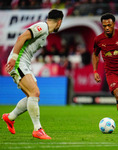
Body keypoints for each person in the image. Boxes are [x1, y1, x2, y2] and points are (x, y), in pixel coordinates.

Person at [2, 9, 64, 139]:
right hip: (19, 62)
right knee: (34, 93)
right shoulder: (42, 27)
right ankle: (38, 129)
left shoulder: (45, 31)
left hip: (24, 63)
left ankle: (10, 117)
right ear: (59, 22)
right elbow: (22, 37)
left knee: (34, 96)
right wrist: (13, 58)